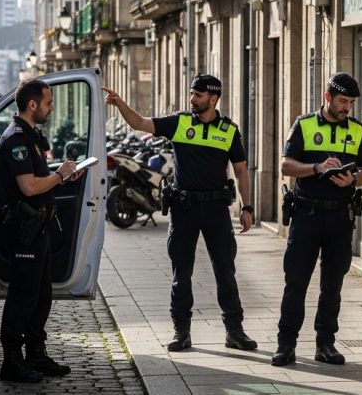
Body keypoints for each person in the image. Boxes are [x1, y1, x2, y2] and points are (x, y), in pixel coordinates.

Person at [103, 74, 258, 353]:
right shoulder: (179, 122)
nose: (192, 99)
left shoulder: (229, 131)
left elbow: (240, 170)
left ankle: (234, 331)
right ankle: (182, 331)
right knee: (181, 273)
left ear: (213, 98)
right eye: (191, 94)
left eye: (198, 96)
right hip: (184, 208)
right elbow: (140, 123)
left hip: (215, 210)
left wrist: (247, 207)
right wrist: (120, 104)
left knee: (225, 270)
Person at [272, 72, 362, 367]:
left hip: (339, 217)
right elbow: (286, 165)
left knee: (333, 285)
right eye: (343, 101)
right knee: (296, 283)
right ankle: (286, 344)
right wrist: (317, 167)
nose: (347, 108)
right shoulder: (304, 124)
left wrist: (352, 180)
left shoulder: (357, 129)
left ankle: (325, 343)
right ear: (328, 97)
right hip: (306, 215)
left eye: (352, 103)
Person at [0, 79, 82, 383]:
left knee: (41, 295)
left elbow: (39, 176)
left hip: (39, 227)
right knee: (23, 295)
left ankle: (35, 353)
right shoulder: (17, 139)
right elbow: (29, 186)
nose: (51, 107)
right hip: (25, 229)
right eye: (48, 102)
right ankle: (11, 362)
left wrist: (63, 174)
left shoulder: (31, 136)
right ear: (32, 105)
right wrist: (60, 175)